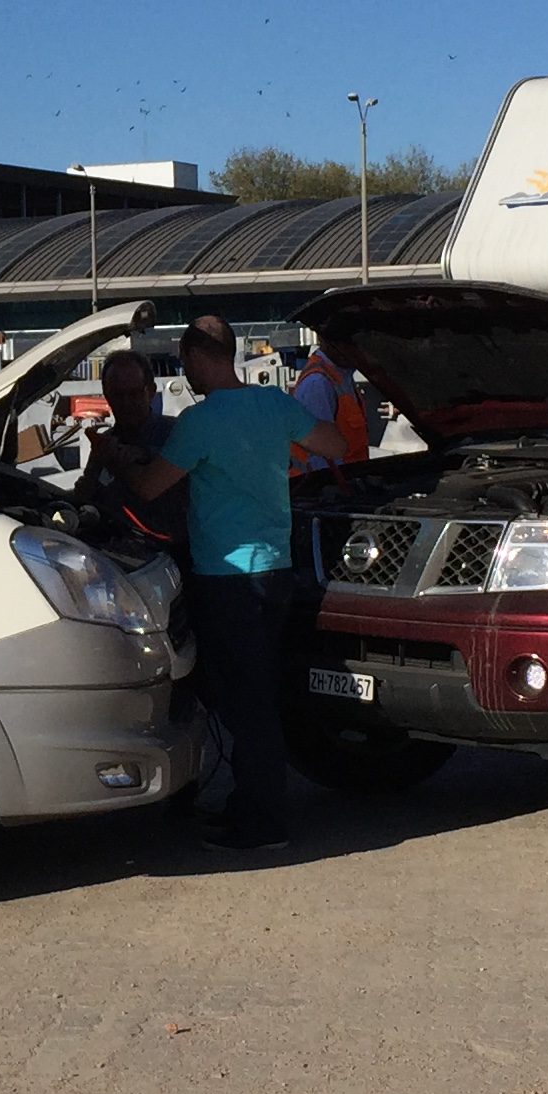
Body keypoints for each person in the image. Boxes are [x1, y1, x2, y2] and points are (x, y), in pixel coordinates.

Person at [91, 314, 347, 851]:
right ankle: (246, 803)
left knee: (245, 702)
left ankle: (263, 822)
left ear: (193, 357)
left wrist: (114, 458)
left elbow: (150, 486)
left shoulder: (198, 421)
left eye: (184, 364)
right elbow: (334, 443)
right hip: (276, 570)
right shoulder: (274, 404)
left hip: (227, 578)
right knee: (257, 691)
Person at [75, 349, 186, 552]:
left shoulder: (177, 434)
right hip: (119, 553)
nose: (126, 403)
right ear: (106, 395)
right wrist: (94, 469)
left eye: (134, 393)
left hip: (173, 550)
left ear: (151, 391)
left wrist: (144, 456)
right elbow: (84, 501)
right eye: (117, 395)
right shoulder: (106, 443)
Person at [290, 339, 375, 478]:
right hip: (322, 486)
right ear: (327, 342)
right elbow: (321, 460)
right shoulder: (317, 383)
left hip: (352, 478)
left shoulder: (342, 376)